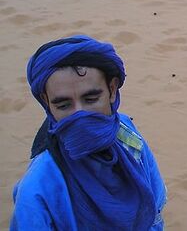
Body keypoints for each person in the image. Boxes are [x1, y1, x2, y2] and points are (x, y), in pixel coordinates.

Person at [11, 35, 167, 230]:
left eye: (91, 99)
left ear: (111, 90)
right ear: (47, 102)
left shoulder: (126, 134)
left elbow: (155, 204)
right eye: (64, 105)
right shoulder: (37, 188)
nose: (79, 115)